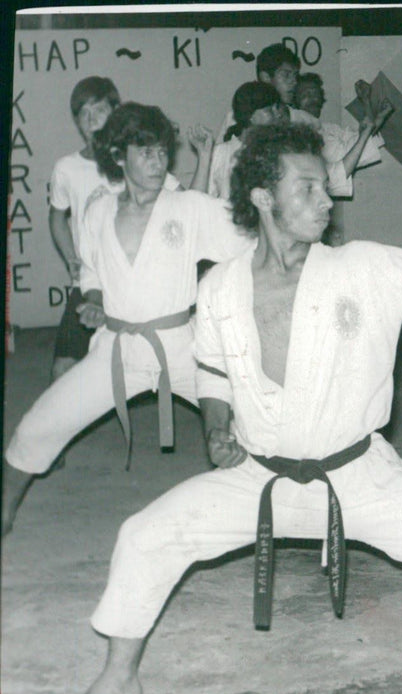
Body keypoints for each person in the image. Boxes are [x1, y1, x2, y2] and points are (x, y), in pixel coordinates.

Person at [67, 123, 402, 694]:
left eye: (325, 187)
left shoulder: (366, 268)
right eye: (308, 188)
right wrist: (217, 426)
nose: (327, 200)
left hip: (357, 475)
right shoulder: (220, 286)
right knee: (144, 537)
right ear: (264, 198)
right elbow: (214, 372)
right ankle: (120, 676)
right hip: (257, 475)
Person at [1, 103, 252, 537]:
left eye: (162, 152)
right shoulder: (98, 212)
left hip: (181, 345)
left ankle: (284, 505)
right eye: (146, 153)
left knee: (255, 425)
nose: (158, 162)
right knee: (36, 426)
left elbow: (251, 245)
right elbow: (92, 272)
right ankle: (3, 510)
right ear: (118, 156)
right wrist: (95, 301)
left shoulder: (190, 207)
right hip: (115, 350)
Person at [47, 77, 187, 382]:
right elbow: (57, 216)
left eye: (98, 110)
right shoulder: (66, 168)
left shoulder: (134, 158)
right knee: (63, 368)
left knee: (181, 360)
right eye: (83, 114)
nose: (91, 120)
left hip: (141, 280)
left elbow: (184, 199)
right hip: (91, 280)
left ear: (116, 112)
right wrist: (71, 256)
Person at [294, 73, 394, 244]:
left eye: (317, 95)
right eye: (306, 95)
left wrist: (368, 104)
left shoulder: (329, 130)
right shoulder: (294, 131)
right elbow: (351, 153)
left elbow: (361, 142)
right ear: (294, 100)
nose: (313, 99)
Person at [215, 42, 318, 143]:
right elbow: (220, 156)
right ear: (265, 77)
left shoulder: (306, 121)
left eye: (295, 75)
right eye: (286, 75)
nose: (294, 82)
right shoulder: (234, 118)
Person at [208, 82, 290, 200]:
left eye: (276, 108)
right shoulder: (221, 153)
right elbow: (206, 198)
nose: (277, 115)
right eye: (269, 110)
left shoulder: (282, 151)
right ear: (249, 115)